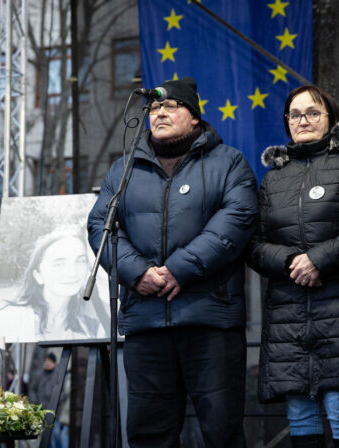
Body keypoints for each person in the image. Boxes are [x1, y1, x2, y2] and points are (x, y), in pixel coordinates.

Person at [87, 76, 257, 448]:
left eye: (171, 106)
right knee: (149, 435)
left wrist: (180, 269)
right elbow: (100, 224)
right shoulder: (123, 168)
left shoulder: (228, 162)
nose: (159, 113)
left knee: (222, 432)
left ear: (195, 117)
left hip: (210, 321)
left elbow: (237, 219)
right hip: (146, 324)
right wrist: (136, 272)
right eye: (153, 108)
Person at [246, 85, 339, 448]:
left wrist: (319, 258)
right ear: (287, 122)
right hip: (288, 313)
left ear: (330, 118)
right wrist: (288, 263)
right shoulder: (272, 178)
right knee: (299, 412)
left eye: (313, 112)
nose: (303, 120)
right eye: (295, 115)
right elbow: (252, 245)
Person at [0, 225, 108, 342]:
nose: (72, 272)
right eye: (59, 263)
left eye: (80, 261)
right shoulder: (6, 320)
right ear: (38, 275)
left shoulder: (92, 329)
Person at [29, 352, 69, 448]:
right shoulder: (39, 375)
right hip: (42, 410)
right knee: (45, 436)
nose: (47, 363)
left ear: (54, 362)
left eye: (49, 361)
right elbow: (32, 389)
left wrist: (58, 400)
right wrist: (35, 403)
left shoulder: (59, 374)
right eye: (46, 361)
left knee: (56, 434)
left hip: (55, 411)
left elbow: (63, 390)